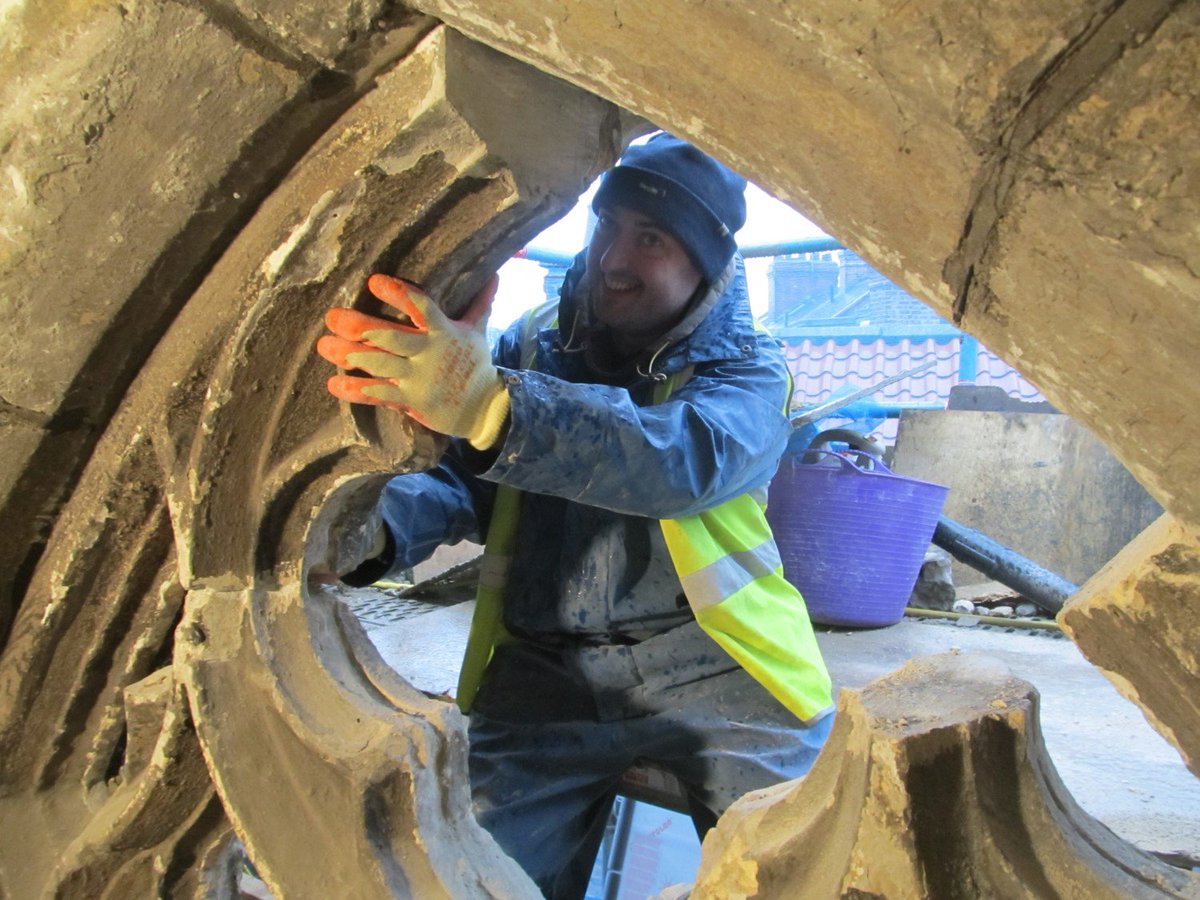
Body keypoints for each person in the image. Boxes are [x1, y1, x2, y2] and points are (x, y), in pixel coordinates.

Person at [316, 133, 834, 899]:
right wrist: (370, 530)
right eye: (606, 225)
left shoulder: (750, 372)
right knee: (457, 873)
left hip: (718, 671)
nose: (612, 261)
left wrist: (496, 406)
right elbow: (469, 485)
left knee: (811, 862)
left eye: (651, 239)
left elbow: (681, 460)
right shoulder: (533, 344)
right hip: (544, 676)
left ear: (708, 264)